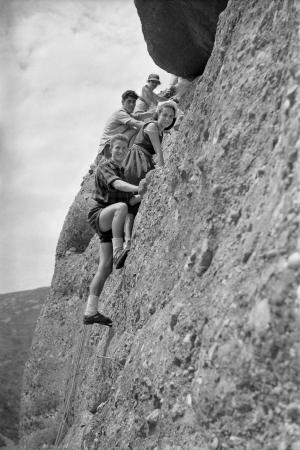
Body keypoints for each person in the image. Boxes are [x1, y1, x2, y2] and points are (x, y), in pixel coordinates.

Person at [84, 134, 142, 326]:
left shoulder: (122, 171)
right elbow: (116, 185)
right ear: (110, 149)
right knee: (120, 208)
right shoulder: (105, 167)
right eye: (117, 148)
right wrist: (136, 186)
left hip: (111, 222)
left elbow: (130, 199)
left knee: (105, 266)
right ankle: (119, 250)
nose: (120, 151)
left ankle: (91, 311)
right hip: (100, 214)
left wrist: (144, 191)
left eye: (124, 149)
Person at [124, 100, 177, 185]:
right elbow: (158, 151)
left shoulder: (159, 129)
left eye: (171, 116)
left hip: (144, 158)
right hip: (136, 160)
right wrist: (162, 173)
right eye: (165, 115)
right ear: (159, 113)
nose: (168, 119)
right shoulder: (152, 126)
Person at [98, 90, 153, 160]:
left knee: (135, 131)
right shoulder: (120, 113)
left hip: (113, 147)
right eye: (129, 101)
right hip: (108, 150)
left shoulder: (126, 114)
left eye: (134, 102)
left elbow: (138, 116)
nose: (132, 104)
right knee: (135, 130)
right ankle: (130, 158)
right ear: (123, 102)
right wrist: (154, 126)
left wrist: (153, 113)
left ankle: (130, 158)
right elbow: (136, 123)